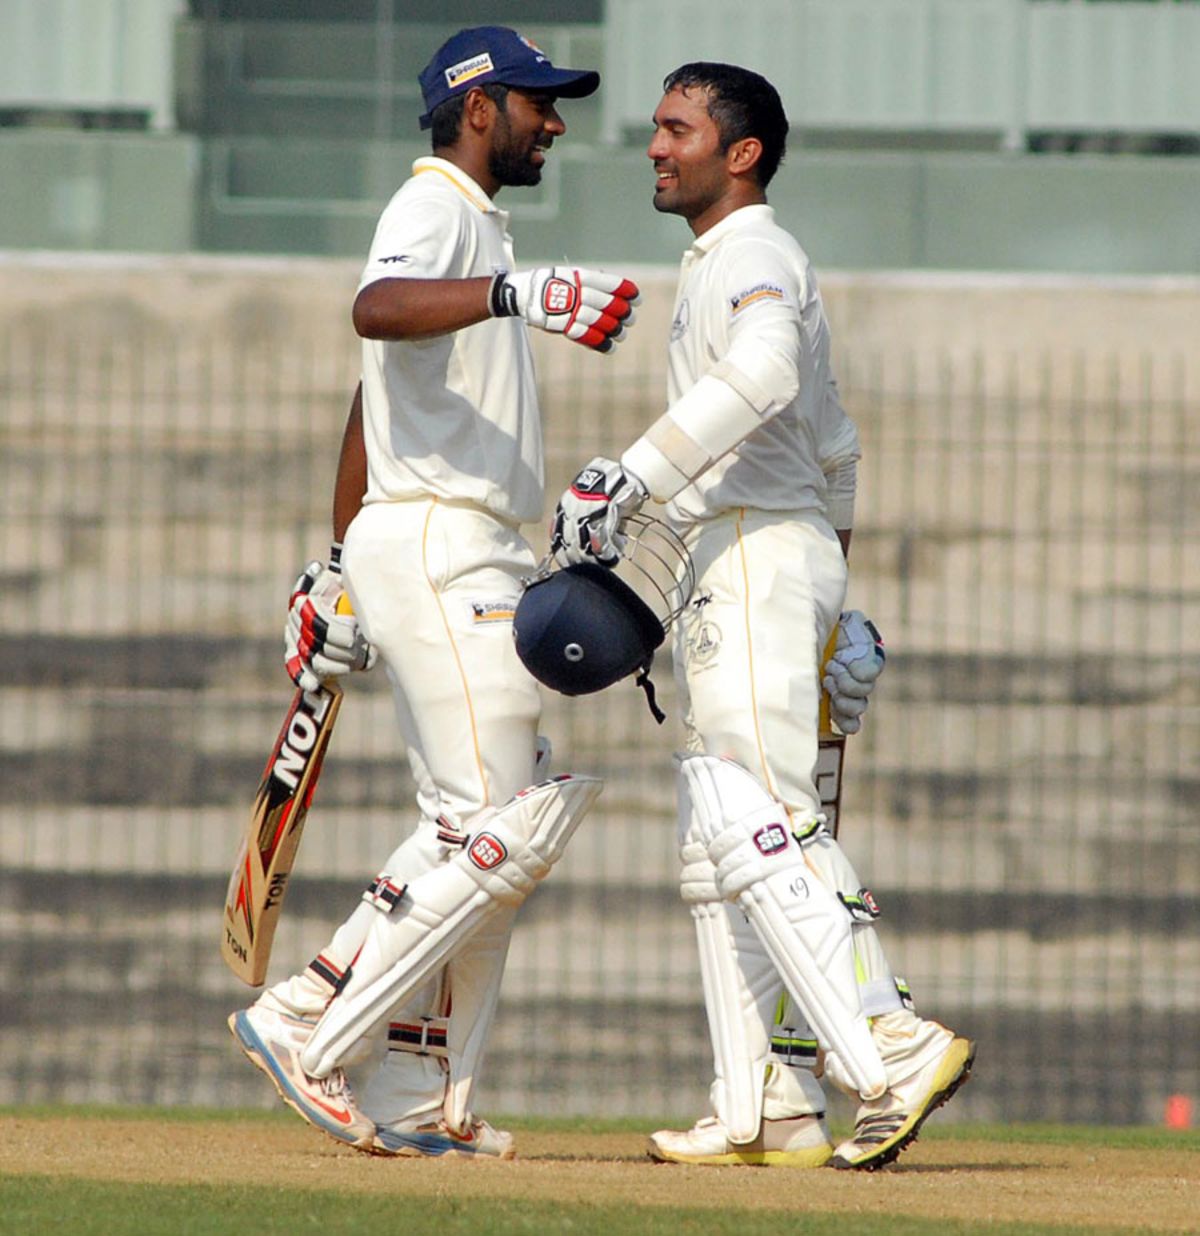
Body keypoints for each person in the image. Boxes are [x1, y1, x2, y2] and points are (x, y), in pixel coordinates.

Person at [550, 62, 974, 1170]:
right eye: (655, 127)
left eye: (677, 129)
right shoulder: (718, 263)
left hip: (750, 554)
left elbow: (772, 374)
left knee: (754, 819)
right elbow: (835, 446)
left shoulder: (753, 254)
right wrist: (830, 598)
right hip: (750, 560)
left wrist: (629, 476)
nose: (653, 145)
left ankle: (889, 1042)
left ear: (740, 153)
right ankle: (766, 1104)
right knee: (719, 840)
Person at [229, 26, 639, 1160]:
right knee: (496, 827)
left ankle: (420, 1093)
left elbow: (373, 395)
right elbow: (375, 311)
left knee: (483, 827)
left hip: (444, 543)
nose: (553, 121)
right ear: (477, 107)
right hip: (446, 544)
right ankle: (306, 1015)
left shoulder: (470, 228)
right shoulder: (436, 207)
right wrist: (523, 292)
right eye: (536, 102)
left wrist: (338, 558)